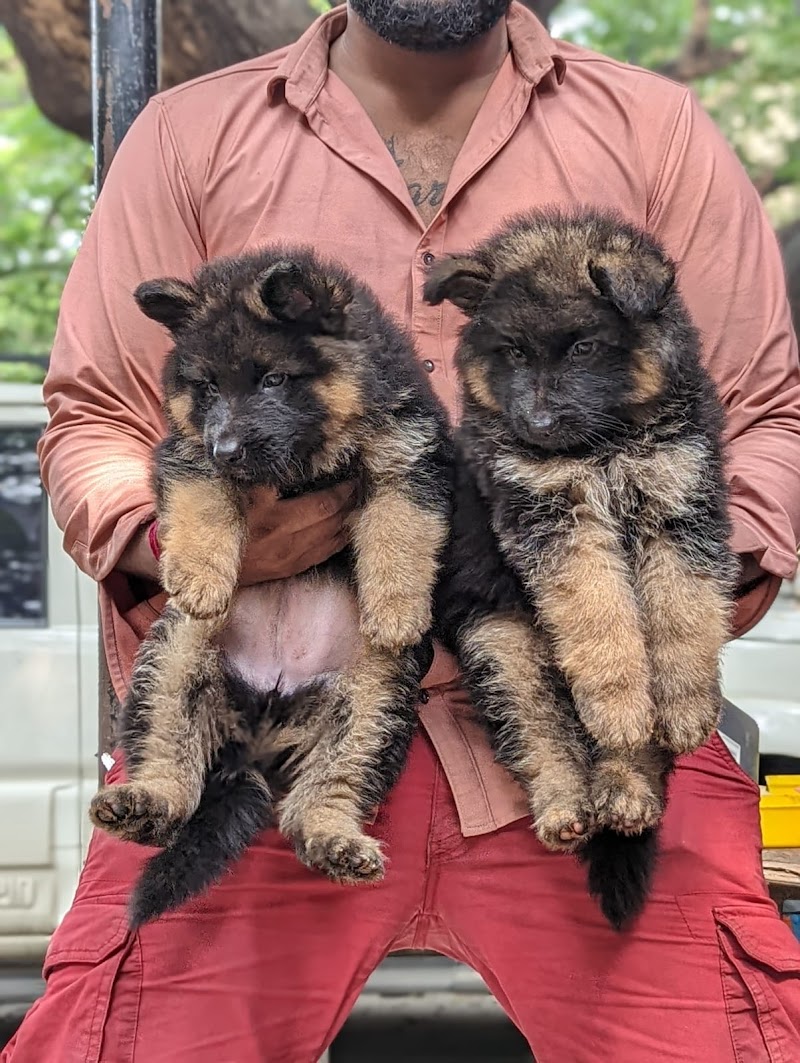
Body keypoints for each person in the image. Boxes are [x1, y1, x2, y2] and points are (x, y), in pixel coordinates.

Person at [4, 2, 800, 1060]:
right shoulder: (191, 137)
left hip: (600, 729)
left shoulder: (652, 128)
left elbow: (760, 417)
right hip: (262, 728)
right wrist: (189, 544)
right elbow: (95, 413)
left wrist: (675, 578)